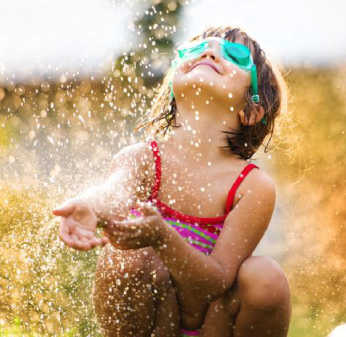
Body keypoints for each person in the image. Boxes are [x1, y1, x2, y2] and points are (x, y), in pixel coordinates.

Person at [52, 26, 292, 337]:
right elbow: (115, 193)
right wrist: (90, 206)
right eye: (196, 49)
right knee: (126, 257)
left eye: (235, 54)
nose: (209, 52)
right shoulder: (143, 158)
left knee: (265, 277)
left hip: (211, 327)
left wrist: (163, 238)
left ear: (251, 110)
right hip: (151, 324)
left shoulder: (251, 186)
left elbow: (216, 282)